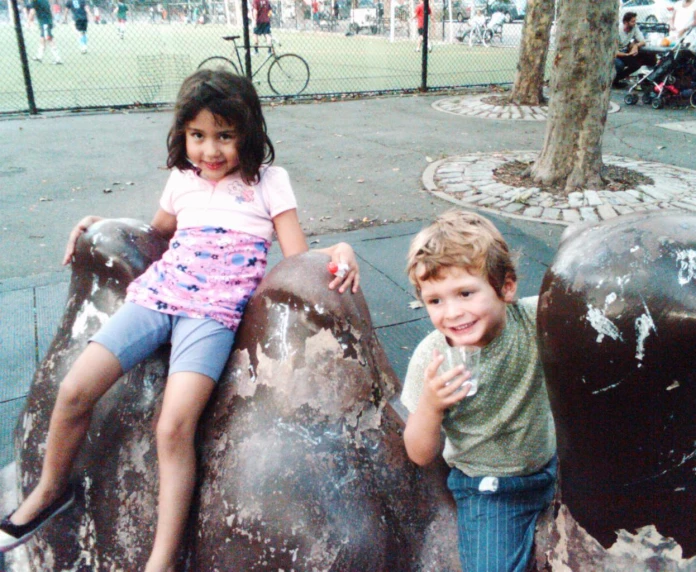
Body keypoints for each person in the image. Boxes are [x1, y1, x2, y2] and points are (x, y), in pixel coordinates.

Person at [0, 69, 361, 571]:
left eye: (224, 136)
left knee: (173, 427)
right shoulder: (183, 180)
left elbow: (298, 256)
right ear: (183, 135)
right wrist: (98, 225)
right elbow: (155, 234)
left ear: (248, 134)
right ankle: (47, 491)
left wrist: (340, 250)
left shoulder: (269, 183)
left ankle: (163, 559)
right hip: (159, 295)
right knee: (74, 389)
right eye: (198, 136)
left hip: (213, 314)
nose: (210, 150)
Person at [401, 210, 556, 572]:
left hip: (551, 465)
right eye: (435, 300)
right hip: (490, 489)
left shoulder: (535, 320)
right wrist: (431, 405)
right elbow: (419, 454)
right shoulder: (433, 358)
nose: (452, 312)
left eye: (465, 293)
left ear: (506, 287)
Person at [613, 11, 657, 87]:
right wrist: (627, 54)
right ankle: (614, 80)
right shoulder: (618, 31)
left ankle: (618, 78)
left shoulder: (634, 27)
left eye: (635, 21)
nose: (634, 23)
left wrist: (635, 46)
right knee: (621, 65)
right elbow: (614, 52)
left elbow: (643, 41)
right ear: (626, 22)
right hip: (617, 53)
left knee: (640, 62)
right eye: (632, 21)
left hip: (626, 51)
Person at [27, 0, 62, 64]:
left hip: (44, 22)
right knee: (42, 39)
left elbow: (32, 12)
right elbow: (49, 10)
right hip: (46, 21)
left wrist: (28, 22)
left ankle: (58, 58)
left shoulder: (35, 1)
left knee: (49, 39)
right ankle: (39, 56)